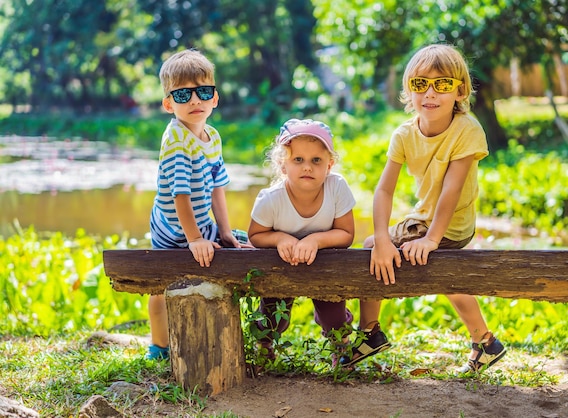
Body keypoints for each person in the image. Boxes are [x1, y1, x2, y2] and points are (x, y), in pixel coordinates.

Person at [343, 44, 506, 372]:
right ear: (409, 91)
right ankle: (486, 342)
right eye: (420, 85)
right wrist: (383, 234)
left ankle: (370, 332)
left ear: (459, 91)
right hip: (426, 219)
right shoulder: (404, 134)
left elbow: (452, 189)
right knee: (405, 256)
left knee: (373, 249)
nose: (430, 94)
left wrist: (430, 239)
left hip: (450, 223)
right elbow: (384, 189)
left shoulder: (467, 129)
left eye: (442, 85)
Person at [147, 49, 250, 360]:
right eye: (183, 95)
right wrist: (193, 239)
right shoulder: (176, 140)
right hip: (171, 226)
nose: (194, 101)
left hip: (199, 220)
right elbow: (180, 195)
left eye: (203, 92)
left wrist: (225, 231)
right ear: (168, 104)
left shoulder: (212, 137)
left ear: (214, 98)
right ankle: (159, 345)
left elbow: (218, 187)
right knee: (159, 283)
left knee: (245, 243)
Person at [248, 118, 355, 366]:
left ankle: (340, 345)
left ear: (329, 164)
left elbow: (346, 234)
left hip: (325, 262)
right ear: (282, 165)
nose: (307, 167)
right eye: (298, 160)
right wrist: (279, 238)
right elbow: (255, 235)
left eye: (316, 160)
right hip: (282, 262)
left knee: (333, 313)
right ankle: (265, 344)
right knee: (274, 313)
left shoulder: (336, 187)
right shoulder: (271, 199)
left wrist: (316, 239)